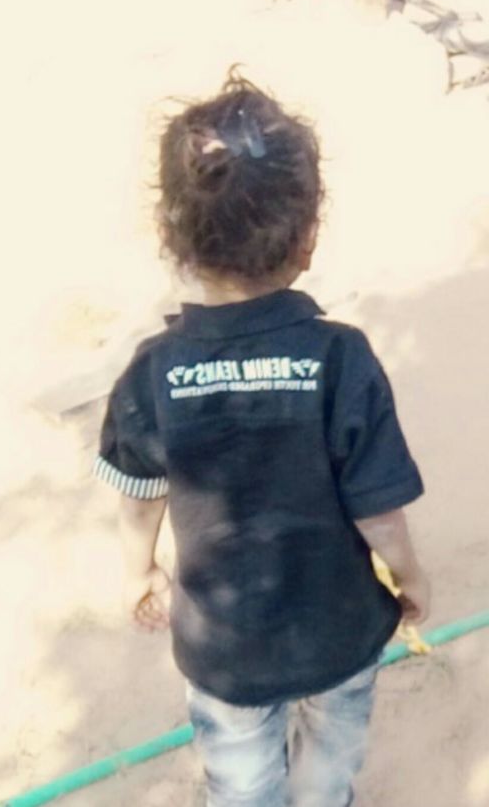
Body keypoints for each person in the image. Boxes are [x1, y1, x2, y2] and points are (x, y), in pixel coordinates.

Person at [93, 70, 430, 807]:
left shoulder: (152, 371)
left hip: (225, 649)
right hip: (340, 628)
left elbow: (139, 497)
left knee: (242, 775)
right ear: (308, 237)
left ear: (171, 238)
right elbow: (378, 511)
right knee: (331, 753)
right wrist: (410, 579)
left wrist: (138, 571)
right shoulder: (341, 359)